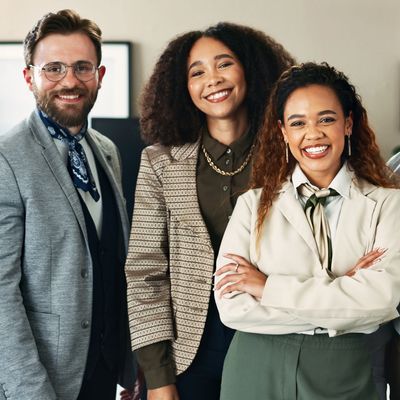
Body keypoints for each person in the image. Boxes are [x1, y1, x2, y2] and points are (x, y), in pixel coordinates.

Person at [124, 22, 295, 400]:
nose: (212, 80)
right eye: (196, 72)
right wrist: (158, 378)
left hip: (274, 341)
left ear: (249, 69)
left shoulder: (289, 151)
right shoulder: (160, 162)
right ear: (182, 88)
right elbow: (145, 272)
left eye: (224, 64)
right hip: (191, 354)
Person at [214, 62, 400, 400]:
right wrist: (342, 296)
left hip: (344, 372)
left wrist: (267, 286)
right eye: (298, 123)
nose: (312, 134)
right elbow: (232, 307)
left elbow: (382, 300)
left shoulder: (389, 205)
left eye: (326, 119)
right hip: (255, 367)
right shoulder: (251, 206)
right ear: (284, 132)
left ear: (348, 124)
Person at [0, 9, 138, 400]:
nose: (70, 82)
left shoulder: (108, 152)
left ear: (100, 76)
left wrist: (130, 364)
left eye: (82, 67)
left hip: (104, 374)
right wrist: (30, 391)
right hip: (43, 380)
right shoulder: (6, 159)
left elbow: (113, 261)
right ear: (29, 77)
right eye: (54, 68)